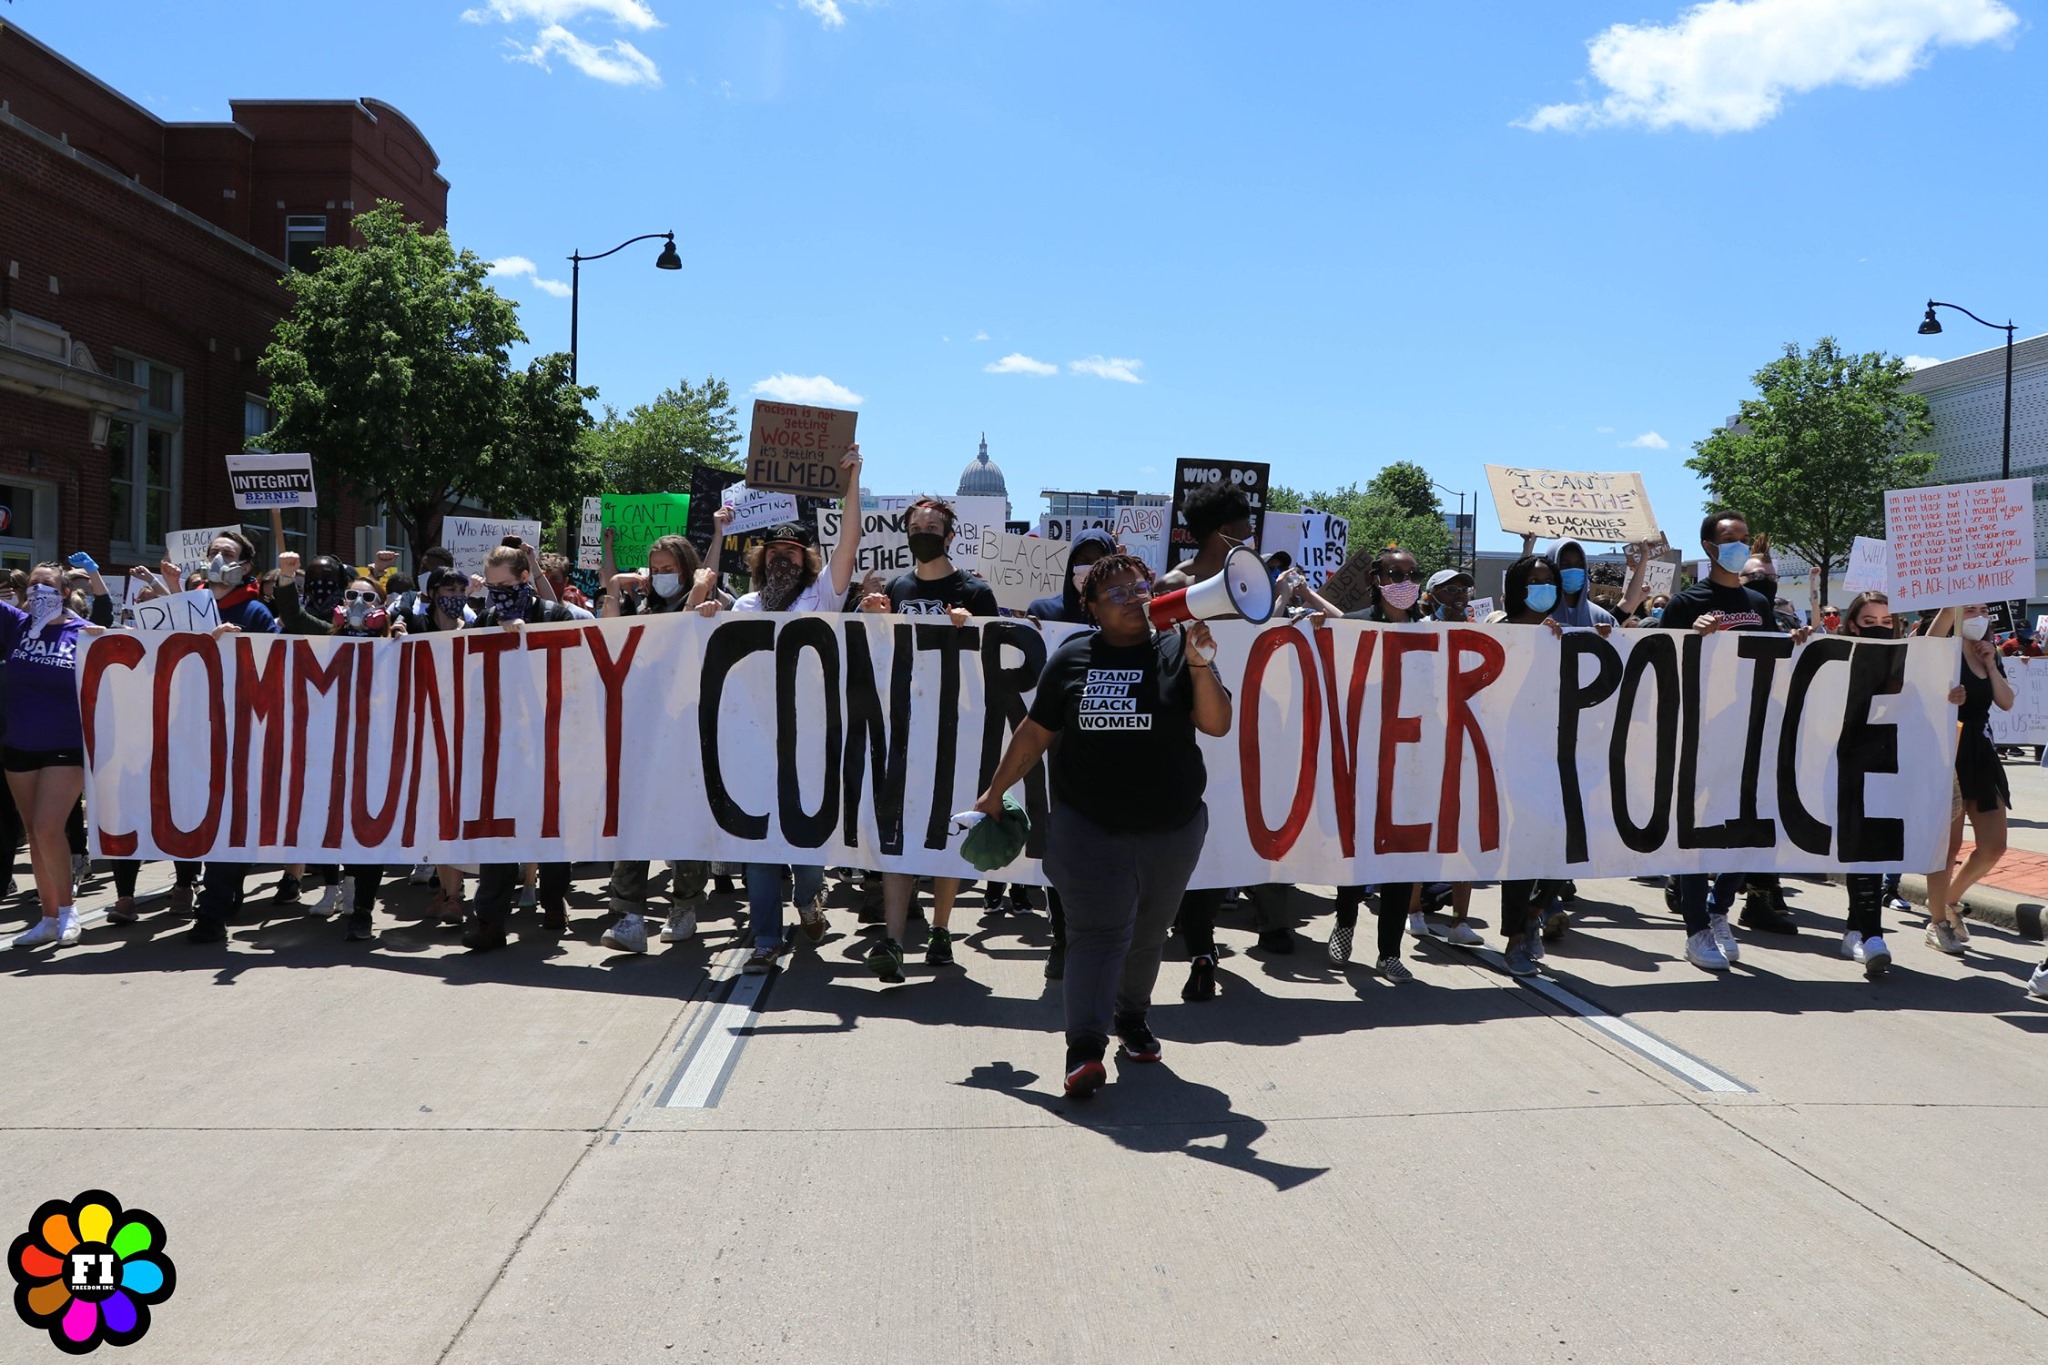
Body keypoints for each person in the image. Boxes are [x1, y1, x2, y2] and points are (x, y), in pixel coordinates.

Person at [972, 554, 1232, 1098]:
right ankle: (1084, 1049)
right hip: (1089, 827)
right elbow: (1034, 733)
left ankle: (1132, 1019)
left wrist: (1202, 664)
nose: (1133, 597)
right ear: (1090, 607)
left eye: (1139, 587)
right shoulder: (1071, 658)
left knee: (1148, 932)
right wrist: (995, 792)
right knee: (1097, 935)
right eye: (1114, 592)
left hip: (1172, 826)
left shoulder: (1175, 650)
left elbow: (1216, 722)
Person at [1655, 510, 1809, 972]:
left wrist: (1797, 643)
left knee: (1751, 828)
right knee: (1696, 834)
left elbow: (1770, 663)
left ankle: (1721, 910)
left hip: (1750, 728)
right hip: (1701, 731)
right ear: (1709, 547)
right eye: (1730, 539)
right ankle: (1696, 927)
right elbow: (1659, 666)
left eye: (1744, 537)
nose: (1740, 545)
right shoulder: (1686, 603)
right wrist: (1694, 639)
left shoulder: (1757, 603)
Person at [1158, 486, 1297, 989]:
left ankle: (1202, 938)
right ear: (1225, 530)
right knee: (1197, 835)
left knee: (1230, 836)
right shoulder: (1174, 583)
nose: (1252, 535)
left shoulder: (1252, 582)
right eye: (1245, 525)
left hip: (1244, 728)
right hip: (1193, 729)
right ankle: (1200, 948)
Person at [859, 494, 999, 979]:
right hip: (903, 727)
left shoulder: (975, 592)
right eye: (916, 524)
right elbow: (879, 657)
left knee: (946, 830)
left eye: (933, 524)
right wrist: (873, 618)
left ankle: (941, 928)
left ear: (950, 535)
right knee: (898, 832)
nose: (924, 531)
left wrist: (972, 630)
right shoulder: (895, 588)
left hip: (955, 729)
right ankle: (894, 940)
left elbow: (994, 661)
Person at [595, 528, 724, 951]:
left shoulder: (712, 604)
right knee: (636, 821)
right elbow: (608, 644)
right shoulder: (643, 605)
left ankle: (684, 906)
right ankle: (628, 914)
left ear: (688, 569)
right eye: (655, 569)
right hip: (643, 731)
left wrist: (700, 594)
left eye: (669, 569)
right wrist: (614, 589)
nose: (660, 575)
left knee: (685, 824)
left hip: (691, 733)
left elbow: (681, 640)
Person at [460, 546, 588, 951]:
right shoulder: (483, 619)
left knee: (550, 827)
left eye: (506, 584)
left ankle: (553, 900)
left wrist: (529, 640)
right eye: (491, 586)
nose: (498, 593)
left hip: (549, 738)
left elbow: (574, 670)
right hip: (501, 742)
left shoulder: (554, 615)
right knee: (498, 829)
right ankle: (491, 920)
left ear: (523, 579)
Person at [1016, 527, 1122, 982]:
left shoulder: (1130, 614)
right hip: (1062, 755)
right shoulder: (1046, 612)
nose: (1089, 569)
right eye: (1082, 561)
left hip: (1119, 751)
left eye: (1100, 560)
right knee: (1064, 850)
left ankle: (1104, 940)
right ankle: (1061, 937)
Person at [186, 532, 279, 945]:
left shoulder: (255, 611)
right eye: (213, 552)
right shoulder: (185, 606)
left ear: (244, 568)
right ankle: (219, 888)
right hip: (189, 728)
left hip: (238, 730)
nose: (217, 558)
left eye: (228, 553)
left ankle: (212, 909)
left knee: (228, 818)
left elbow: (272, 668)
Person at [4, 563, 102, 948]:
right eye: (32, 583)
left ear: (63, 593)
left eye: (45, 584)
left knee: (48, 827)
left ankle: (67, 911)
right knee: (33, 832)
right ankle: (47, 918)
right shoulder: (15, 625)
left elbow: (141, 650)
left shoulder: (82, 633)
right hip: (19, 743)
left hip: (66, 744)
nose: (36, 589)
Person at [1924, 603, 2015, 938]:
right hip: (1946, 751)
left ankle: (1948, 900)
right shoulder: (1942, 649)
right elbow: (1928, 647)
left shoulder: (1985, 650)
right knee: (1948, 845)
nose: (1978, 614)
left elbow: (2006, 701)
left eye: (1982, 609)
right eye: (1970, 608)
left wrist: (1991, 664)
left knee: (1994, 845)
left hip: (1980, 751)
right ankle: (1938, 923)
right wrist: (1950, 607)